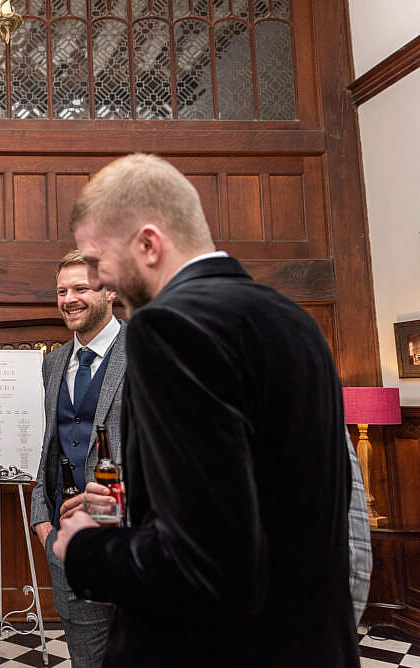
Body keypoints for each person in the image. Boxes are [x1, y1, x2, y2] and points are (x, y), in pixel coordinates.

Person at [53, 154, 358, 666]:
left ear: (149, 244)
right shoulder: (293, 320)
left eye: (98, 261)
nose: (100, 282)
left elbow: (204, 564)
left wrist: (84, 549)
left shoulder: (169, 327)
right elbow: (264, 504)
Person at [30, 251, 126, 668]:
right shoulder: (53, 363)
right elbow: (50, 443)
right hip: (65, 540)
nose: (69, 299)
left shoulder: (148, 351)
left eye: (81, 288)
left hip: (132, 538)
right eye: (62, 291)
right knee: (86, 657)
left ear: (110, 291)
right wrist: (41, 519)